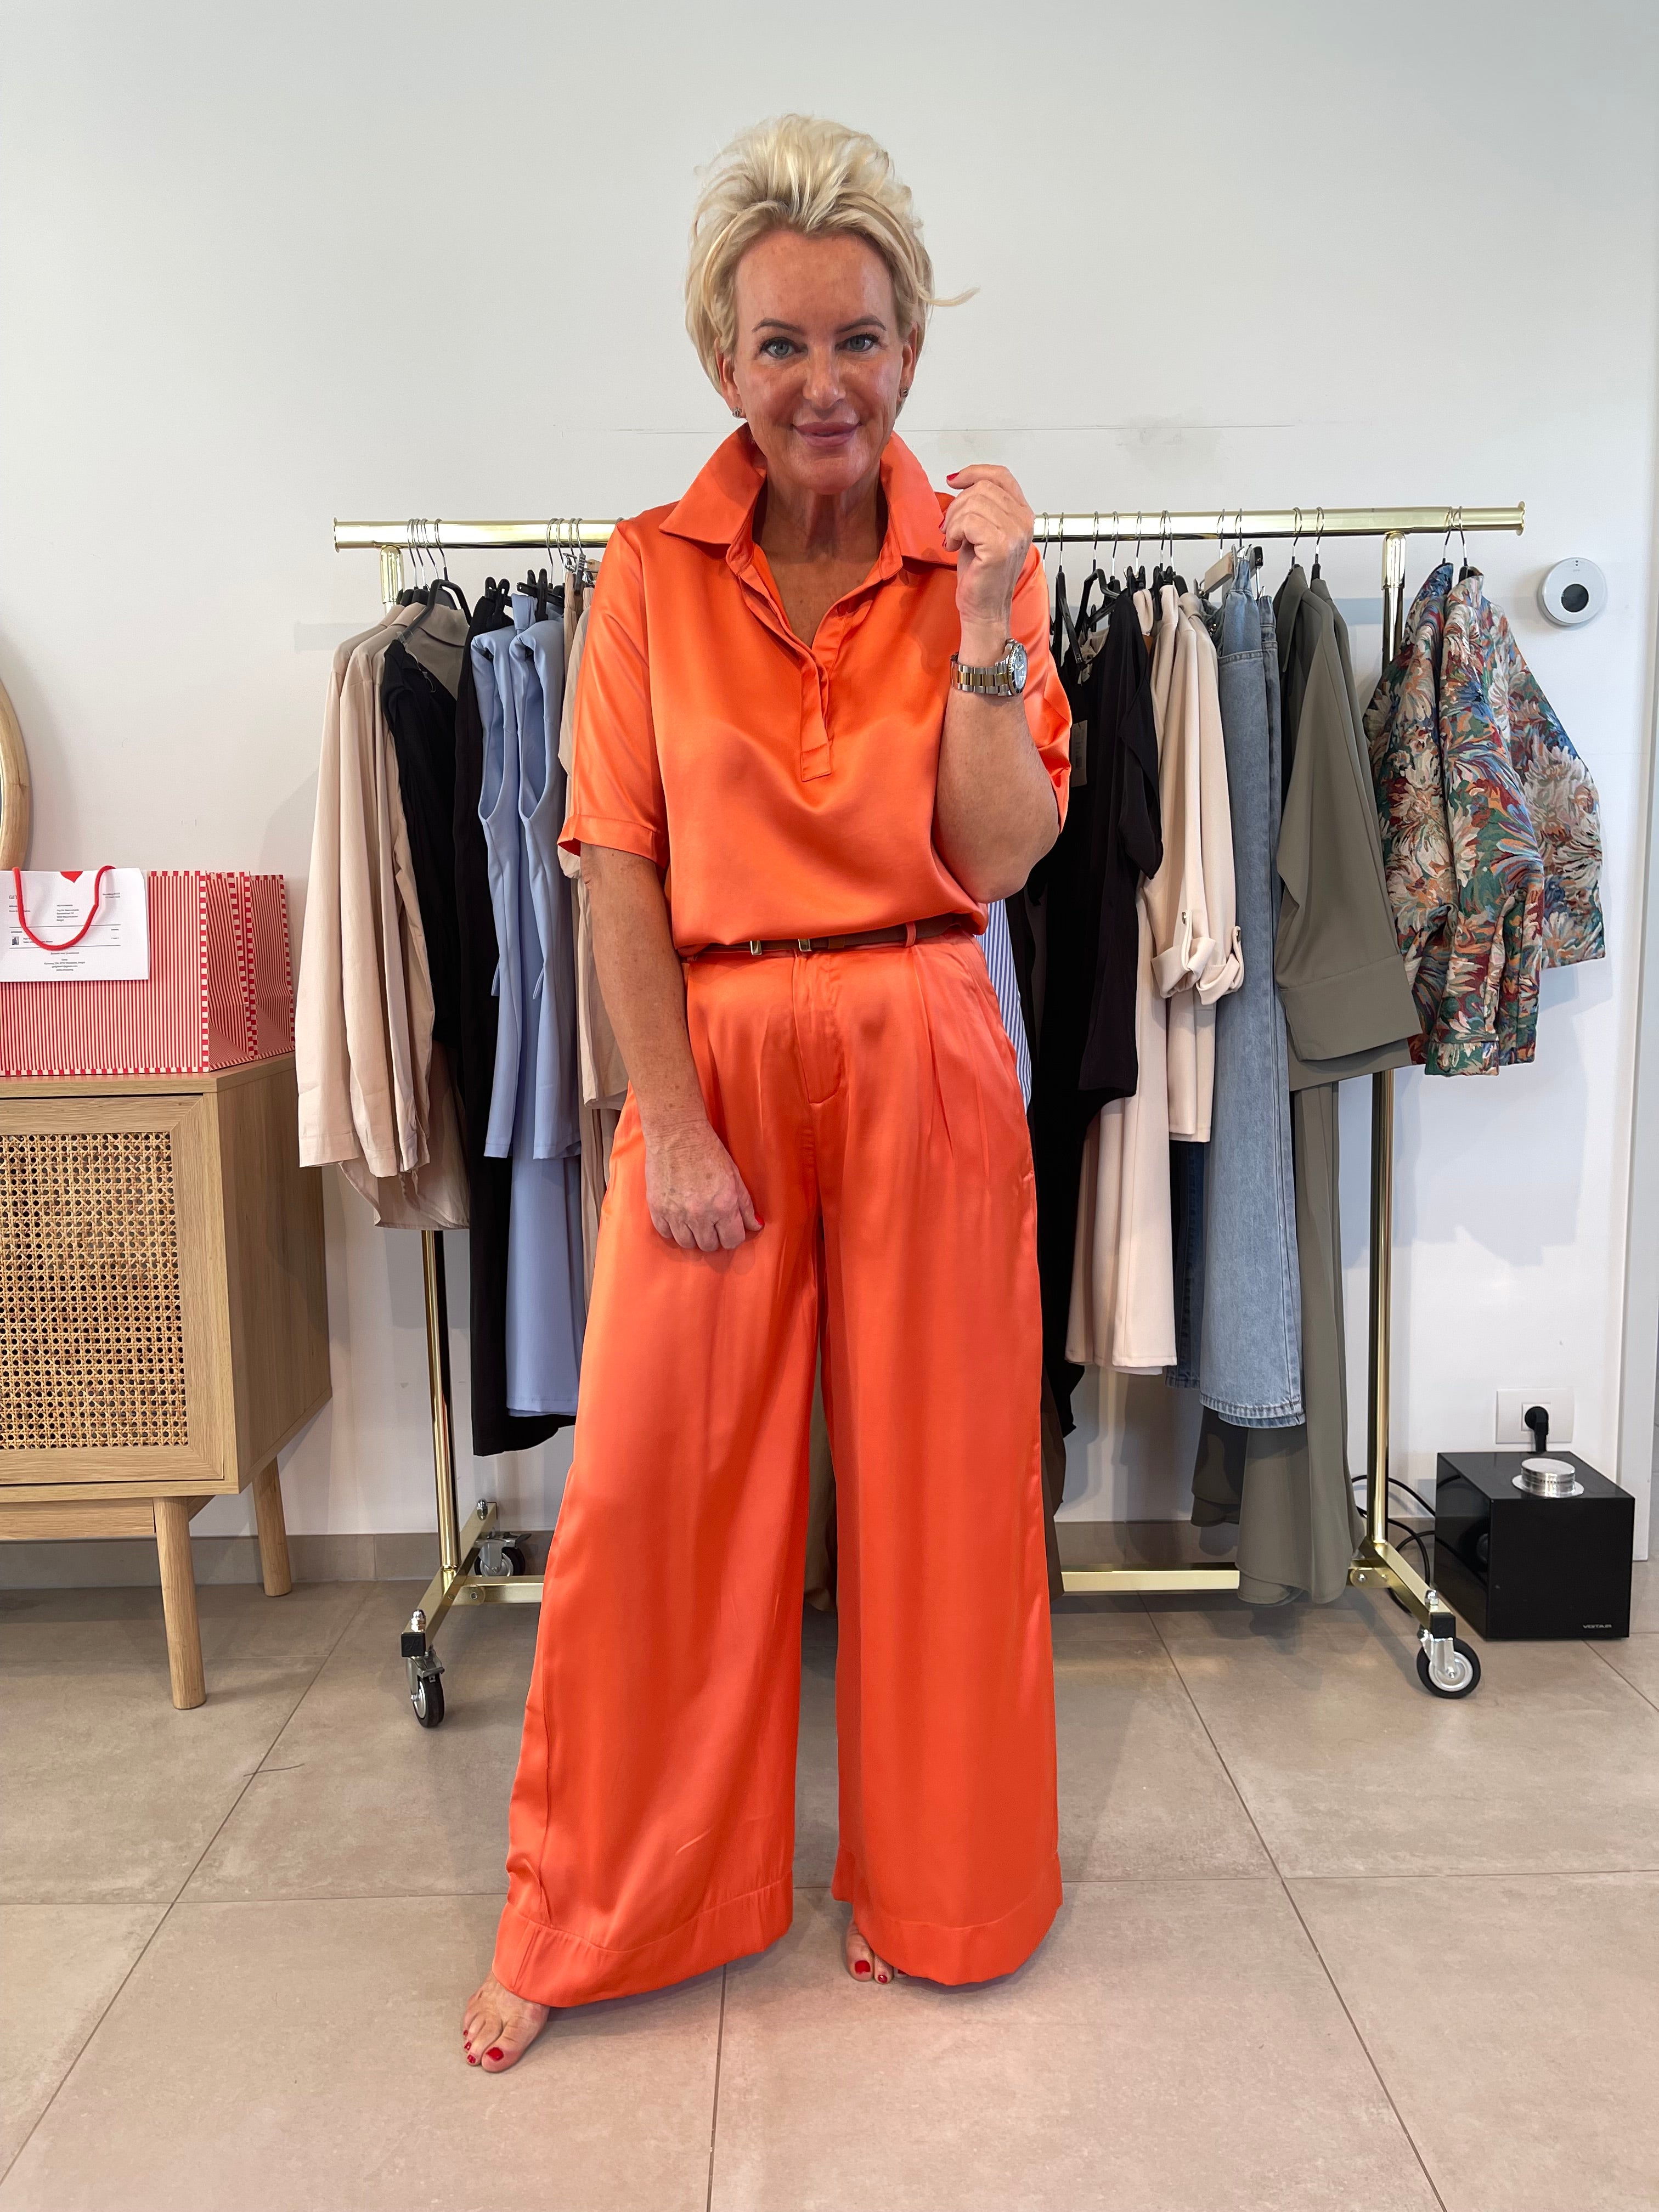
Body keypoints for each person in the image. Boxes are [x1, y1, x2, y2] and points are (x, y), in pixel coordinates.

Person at [463, 114, 1070, 2073]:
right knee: (653, 1496)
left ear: (913, 348)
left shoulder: (979, 566)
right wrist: (674, 1122)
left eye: (860, 339)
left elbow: (1000, 855)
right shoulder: (648, 572)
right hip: (713, 1048)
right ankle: (593, 1911)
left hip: (923, 1033)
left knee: (950, 1493)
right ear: (723, 360)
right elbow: (613, 867)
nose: (826, 382)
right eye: (785, 343)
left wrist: (988, 629)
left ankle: (947, 1888)